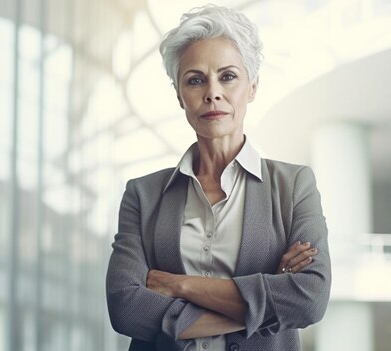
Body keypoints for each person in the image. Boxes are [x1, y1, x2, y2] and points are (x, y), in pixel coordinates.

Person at [106, 4, 331, 350]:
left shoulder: (294, 187)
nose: (212, 93)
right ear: (181, 97)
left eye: (228, 76)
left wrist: (180, 285)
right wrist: (268, 298)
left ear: (252, 87)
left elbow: (309, 298)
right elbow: (126, 308)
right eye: (195, 80)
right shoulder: (143, 194)